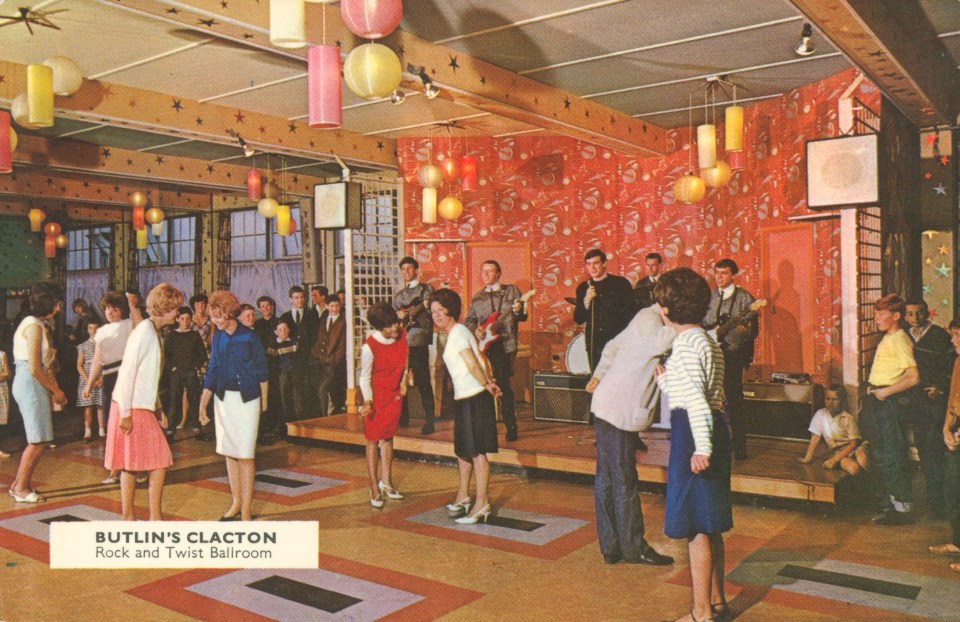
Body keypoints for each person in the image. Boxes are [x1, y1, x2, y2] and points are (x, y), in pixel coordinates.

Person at [653, 268, 731, 622]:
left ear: (666, 308)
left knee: (697, 526)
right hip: (713, 428)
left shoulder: (683, 345)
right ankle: (717, 600)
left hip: (694, 435)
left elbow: (696, 403)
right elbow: (708, 393)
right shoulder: (708, 341)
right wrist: (668, 382)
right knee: (710, 522)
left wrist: (701, 448)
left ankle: (700, 612)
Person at [585, 303, 675, 566]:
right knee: (622, 478)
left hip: (607, 404)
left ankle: (612, 546)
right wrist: (678, 325)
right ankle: (634, 548)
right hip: (619, 408)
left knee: (608, 476)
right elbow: (661, 343)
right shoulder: (653, 321)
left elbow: (612, 346)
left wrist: (599, 375)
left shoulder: (644, 315)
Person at [104, 283, 182, 521]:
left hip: (135, 405)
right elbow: (127, 373)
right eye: (176, 308)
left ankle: (129, 516)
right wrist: (126, 413)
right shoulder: (144, 332)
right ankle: (154, 518)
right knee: (160, 461)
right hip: (131, 407)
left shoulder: (151, 331)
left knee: (129, 463)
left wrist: (157, 407)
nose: (178, 313)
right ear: (165, 307)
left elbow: (147, 376)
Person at [431, 288, 502, 524]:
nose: (437, 315)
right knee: (463, 451)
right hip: (464, 397)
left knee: (477, 452)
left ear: (451, 310)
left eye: (441, 310)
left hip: (475, 396)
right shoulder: (452, 334)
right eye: (433, 311)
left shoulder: (459, 332)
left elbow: (472, 362)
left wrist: (487, 384)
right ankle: (463, 497)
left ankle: (482, 504)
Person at [199, 290, 269, 522]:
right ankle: (236, 502)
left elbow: (262, 371)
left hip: (248, 400)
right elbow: (213, 369)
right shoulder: (217, 336)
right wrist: (203, 403)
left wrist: (264, 401)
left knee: (246, 454)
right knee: (230, 452)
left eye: (219, 316)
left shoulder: (249, 337)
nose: (216, 321)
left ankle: (247, 510)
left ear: (230, 313)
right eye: (213, 316)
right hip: (224, 401)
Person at [862, 294, 919, 525]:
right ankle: (893, 502)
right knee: (884, 453)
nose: (876, 318)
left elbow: (913, 377)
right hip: (880, 400)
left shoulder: (900, 340)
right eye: (876, 313)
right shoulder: (889, 337)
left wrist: (885, 393)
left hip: (889, 402)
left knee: (892, 453)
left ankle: (902, 508)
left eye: (882, 313)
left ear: (896, 316)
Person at [9, 282, 67, 503]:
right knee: (38, 440)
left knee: (38, 438)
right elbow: (34, 368)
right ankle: (21, 488)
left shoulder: (34, 324)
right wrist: (56, 390)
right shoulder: (33, 326)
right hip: (30, 382)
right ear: (48, 303)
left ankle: (18, 485)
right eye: (56, 303)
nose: (59, 308)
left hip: (31, 381)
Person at [464, 260, 527, 441]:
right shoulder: (477, 297)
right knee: (484, 385)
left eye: (489, 271)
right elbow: (469, 320)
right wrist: (475, 329)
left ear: (499, 274)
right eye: (483, 271)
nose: (485, 275)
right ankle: (487, 426)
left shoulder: (511, 291)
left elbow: (522, 315)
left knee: (504, 385)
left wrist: (518, 309)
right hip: (485, 347)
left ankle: (511, 427)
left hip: (505, 345)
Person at [701, 258, 758, 460]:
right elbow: (704, 321)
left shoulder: (744, 298)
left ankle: (740, 444)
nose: (719, 277)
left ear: (733, 275)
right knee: (709, 398)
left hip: (733, 354)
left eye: (723, 273)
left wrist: (745, 331)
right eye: (717, 273)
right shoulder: (710, 296)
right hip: (711, 352)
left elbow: (753, 329)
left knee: (734, 399)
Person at [905, 299, 954, 517]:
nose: (915, 318)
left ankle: (941, 503)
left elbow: (953, 367)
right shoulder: (904, 337)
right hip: (915, 402)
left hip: (934, 400)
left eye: (919, 313)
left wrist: (941, 388)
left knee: (935, 450)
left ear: (928, 314)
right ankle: (934, 501)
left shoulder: (940, 337)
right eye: (910, 314)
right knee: (923, 448)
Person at [359, 301, 409, 508]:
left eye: (395, 323)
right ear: (380, 328)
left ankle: (387, 482)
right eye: (390, 326)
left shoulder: (402, 337)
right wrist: (368, 401)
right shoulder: (369, 346)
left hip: (394, 396)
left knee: (388, 438)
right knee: (373, 440)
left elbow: (407, 359)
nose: (395, 328)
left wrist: (405, 377)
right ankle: (374, 486)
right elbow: (364, 377)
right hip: (376, 399)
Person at [84, 291, 133, 483]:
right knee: (110, 424)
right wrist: (89, 384)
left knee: (129, 423)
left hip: (127, 376)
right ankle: (114, 470)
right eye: (107, 308)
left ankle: (135, 469)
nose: (111, 312)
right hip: (108, 378)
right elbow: (97, 359)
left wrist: (132, 303)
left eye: (115, 308)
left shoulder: (130, 325)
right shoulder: (102, 331)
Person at [929, 318, 960, 570]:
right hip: (957, 433)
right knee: (953, 491)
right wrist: (946, 428)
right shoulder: (958, 361)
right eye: (952, 335)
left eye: (957, 335)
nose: (953, 341)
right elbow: (953, 400)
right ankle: (958, 542)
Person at [393, 256, 436, 434]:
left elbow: (429, 307)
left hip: (419, 340)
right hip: (402, 340)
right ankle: (403, 417)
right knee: (399, 378)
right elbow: (395, 316)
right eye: (403, 269)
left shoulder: (427, 289)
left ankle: (430, 419)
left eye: (409, 268)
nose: (406, 272)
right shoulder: (399, 295)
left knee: (423, 380)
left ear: (416, 270)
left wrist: (411, 313)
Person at [573, 249, 635, 373]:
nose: (592, 267)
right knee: (597, 380)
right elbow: (578, 318)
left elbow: (631, 315)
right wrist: (586, 300)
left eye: (595, 263)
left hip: (616, 341)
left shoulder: (620, 284)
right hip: (594, 344)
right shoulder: (583, 287)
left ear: (604, 264)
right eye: (589, 264)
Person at [797, 384, 868, 475]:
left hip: (855, 448)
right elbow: (815, 438)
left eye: (835, 399)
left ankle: (874, 482)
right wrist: (807, 458)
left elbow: (854, 443)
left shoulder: (848, 418)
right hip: (839, 453)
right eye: (828, 399)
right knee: (854, 469)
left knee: (862, 459)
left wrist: (834, 459)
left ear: (843, 402)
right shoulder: (820, 414)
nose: (830, 402)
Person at [163, 306, 207, 435]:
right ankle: (171, 429)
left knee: (193, 399)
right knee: (174, 400)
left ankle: (197, 428)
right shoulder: (172, 336)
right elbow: (166, 354)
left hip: (190, 372)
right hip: (177, 373)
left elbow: (202, 354)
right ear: (177, 319)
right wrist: (172, 368)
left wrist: (195, 367)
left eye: (188, 319)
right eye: (182, 319)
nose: (185, 322)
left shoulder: (194, 335)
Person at [280, 285, 320, 418]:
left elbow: (315, 337)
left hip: (307, 361)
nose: (300, 300)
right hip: (290, 362)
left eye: (302, 297)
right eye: (296, 297)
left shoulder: (311, 315)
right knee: (288, 395)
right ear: (290, 299)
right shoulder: (285, 317)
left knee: (305, 395)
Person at [310, 296, 346, 417]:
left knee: (323, 389)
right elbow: (320, 339)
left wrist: (334, 360)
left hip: (333, 363)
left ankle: (324, 416)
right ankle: (324, 414)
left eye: (337, 306)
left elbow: (342, 345)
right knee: (321, 390)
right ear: (326, 306)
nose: (334, 308)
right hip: (320, 361)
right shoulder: (324, 318)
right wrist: (317, 355)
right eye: (331, 306)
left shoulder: (343, 321)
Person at [265, 318, 297, 436]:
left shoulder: (294, 343)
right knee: (283, 400)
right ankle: (284, 427)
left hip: (294, 375)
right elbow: (272, 365)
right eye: (280, 329)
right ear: (275, 332)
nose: (283, 331)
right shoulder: (273, 347)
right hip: (280, 376)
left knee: (295, 399)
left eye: (285, 329)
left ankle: (295, 427)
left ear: (288, 330)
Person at [76, 318, 104, 443]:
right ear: (87, 330)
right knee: (88, 404)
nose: (94, 331)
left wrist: (101, 378)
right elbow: (79, 365)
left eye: (96, 328)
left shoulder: (104, 344)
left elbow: (107, 362)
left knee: (100, 404)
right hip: (87, 377)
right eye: (91, 328)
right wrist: (88, 381)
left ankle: (102, 430)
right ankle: (87, 432)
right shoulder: (82, 346)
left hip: (101, 375)